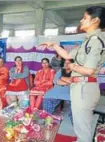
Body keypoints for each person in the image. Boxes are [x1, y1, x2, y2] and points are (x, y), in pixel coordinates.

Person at [40, 6, 105, 142]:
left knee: (83, 130)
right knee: (80, 128)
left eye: (85, 18)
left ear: (95, 20)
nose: (81, 20)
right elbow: (68, 55)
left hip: (84, 88)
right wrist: (54, 45)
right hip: (79, 87)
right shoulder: (87, 41)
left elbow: (89, 70)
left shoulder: (95, 41)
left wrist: (72, 66)